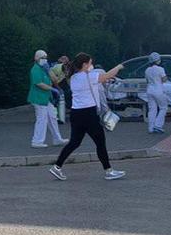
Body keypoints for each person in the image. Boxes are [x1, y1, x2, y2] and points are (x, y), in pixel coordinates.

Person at [49, 53, 126, 181]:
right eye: (90, 63)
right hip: (88, 114)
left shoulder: (73, 78)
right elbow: (106, 75)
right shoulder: (89, 76)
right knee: (100, 142)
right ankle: (109, 171)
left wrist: (104, 79)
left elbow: (96, 82)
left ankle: (57, 166)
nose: (91, 65)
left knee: (74, 142)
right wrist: (118, 67)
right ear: (84, 65)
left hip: (76, 113)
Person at [28, 50, 65, 148]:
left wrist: (49, 70)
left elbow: (55, 80)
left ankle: (57, 139)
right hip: (38, 98)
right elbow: (39, 83)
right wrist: (52, 89)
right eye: (42, 57)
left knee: (52, 117)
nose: (44, 59)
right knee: (42, 119)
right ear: (36, 58)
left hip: (46, 98)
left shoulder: (44, 68)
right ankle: (37, 141)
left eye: (45, 57)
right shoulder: (35, 69)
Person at [144, 52, 169, 134]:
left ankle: (150, 128)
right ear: (158, 60)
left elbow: (147, 81)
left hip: (149, 90)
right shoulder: (160, 69)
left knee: (152, 109)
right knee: (163, 107)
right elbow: (164, 79)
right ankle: (158, 125)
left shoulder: (147, 70)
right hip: (158, 90)